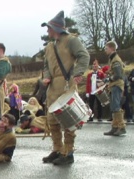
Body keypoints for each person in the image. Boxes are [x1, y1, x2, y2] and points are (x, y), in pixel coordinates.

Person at [41, 10, 90, 165]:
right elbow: (46, 65)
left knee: (68, 120)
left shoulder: (71, 40)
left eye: (48, 28)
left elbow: (84, 55)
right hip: (53, 86)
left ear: (55, 28)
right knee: (52, 120)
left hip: (67, 83)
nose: (47, 31)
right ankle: (57, 149)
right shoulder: (49, 46)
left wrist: (78, 72)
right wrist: (47, 76)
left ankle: (68, 152)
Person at [103, 41, 126, 136]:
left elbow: (118, 75)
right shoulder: (112, 59)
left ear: (112, 48)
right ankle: (115, 127)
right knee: (113, 107)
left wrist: (107, 79)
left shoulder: (116, 60)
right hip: (114, 85)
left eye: (106, 48)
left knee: (116, 107)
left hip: (116, 85)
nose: (105, 50)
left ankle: (121, 127)